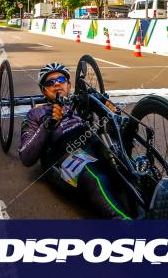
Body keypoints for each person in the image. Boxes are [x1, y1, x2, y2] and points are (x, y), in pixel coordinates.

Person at [19, 63, 134, 219]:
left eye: (61, 79)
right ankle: (124, 224)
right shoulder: (35, 113)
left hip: (93, 143)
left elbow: (108, 130)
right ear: (43, 90)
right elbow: (26, 156)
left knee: (127, 167)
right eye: (50, 82)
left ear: (69, 85)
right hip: (63, 154)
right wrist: (49, 123)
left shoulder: (79, 103)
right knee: (93, 175)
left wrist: (111, 111)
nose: (57, 83)